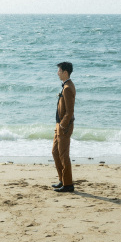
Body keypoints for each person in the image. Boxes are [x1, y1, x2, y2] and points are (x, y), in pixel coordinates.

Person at [52, 62, 75, 193]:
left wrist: (62, 125)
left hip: (64, 126)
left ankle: (68, 185)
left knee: (63, 155)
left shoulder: (68, 88)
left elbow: (70, 111)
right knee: (55, 152)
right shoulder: (66, 86)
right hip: (59, 125)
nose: (57, 73)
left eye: (59, 71)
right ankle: (62, 180)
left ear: (65, 72)